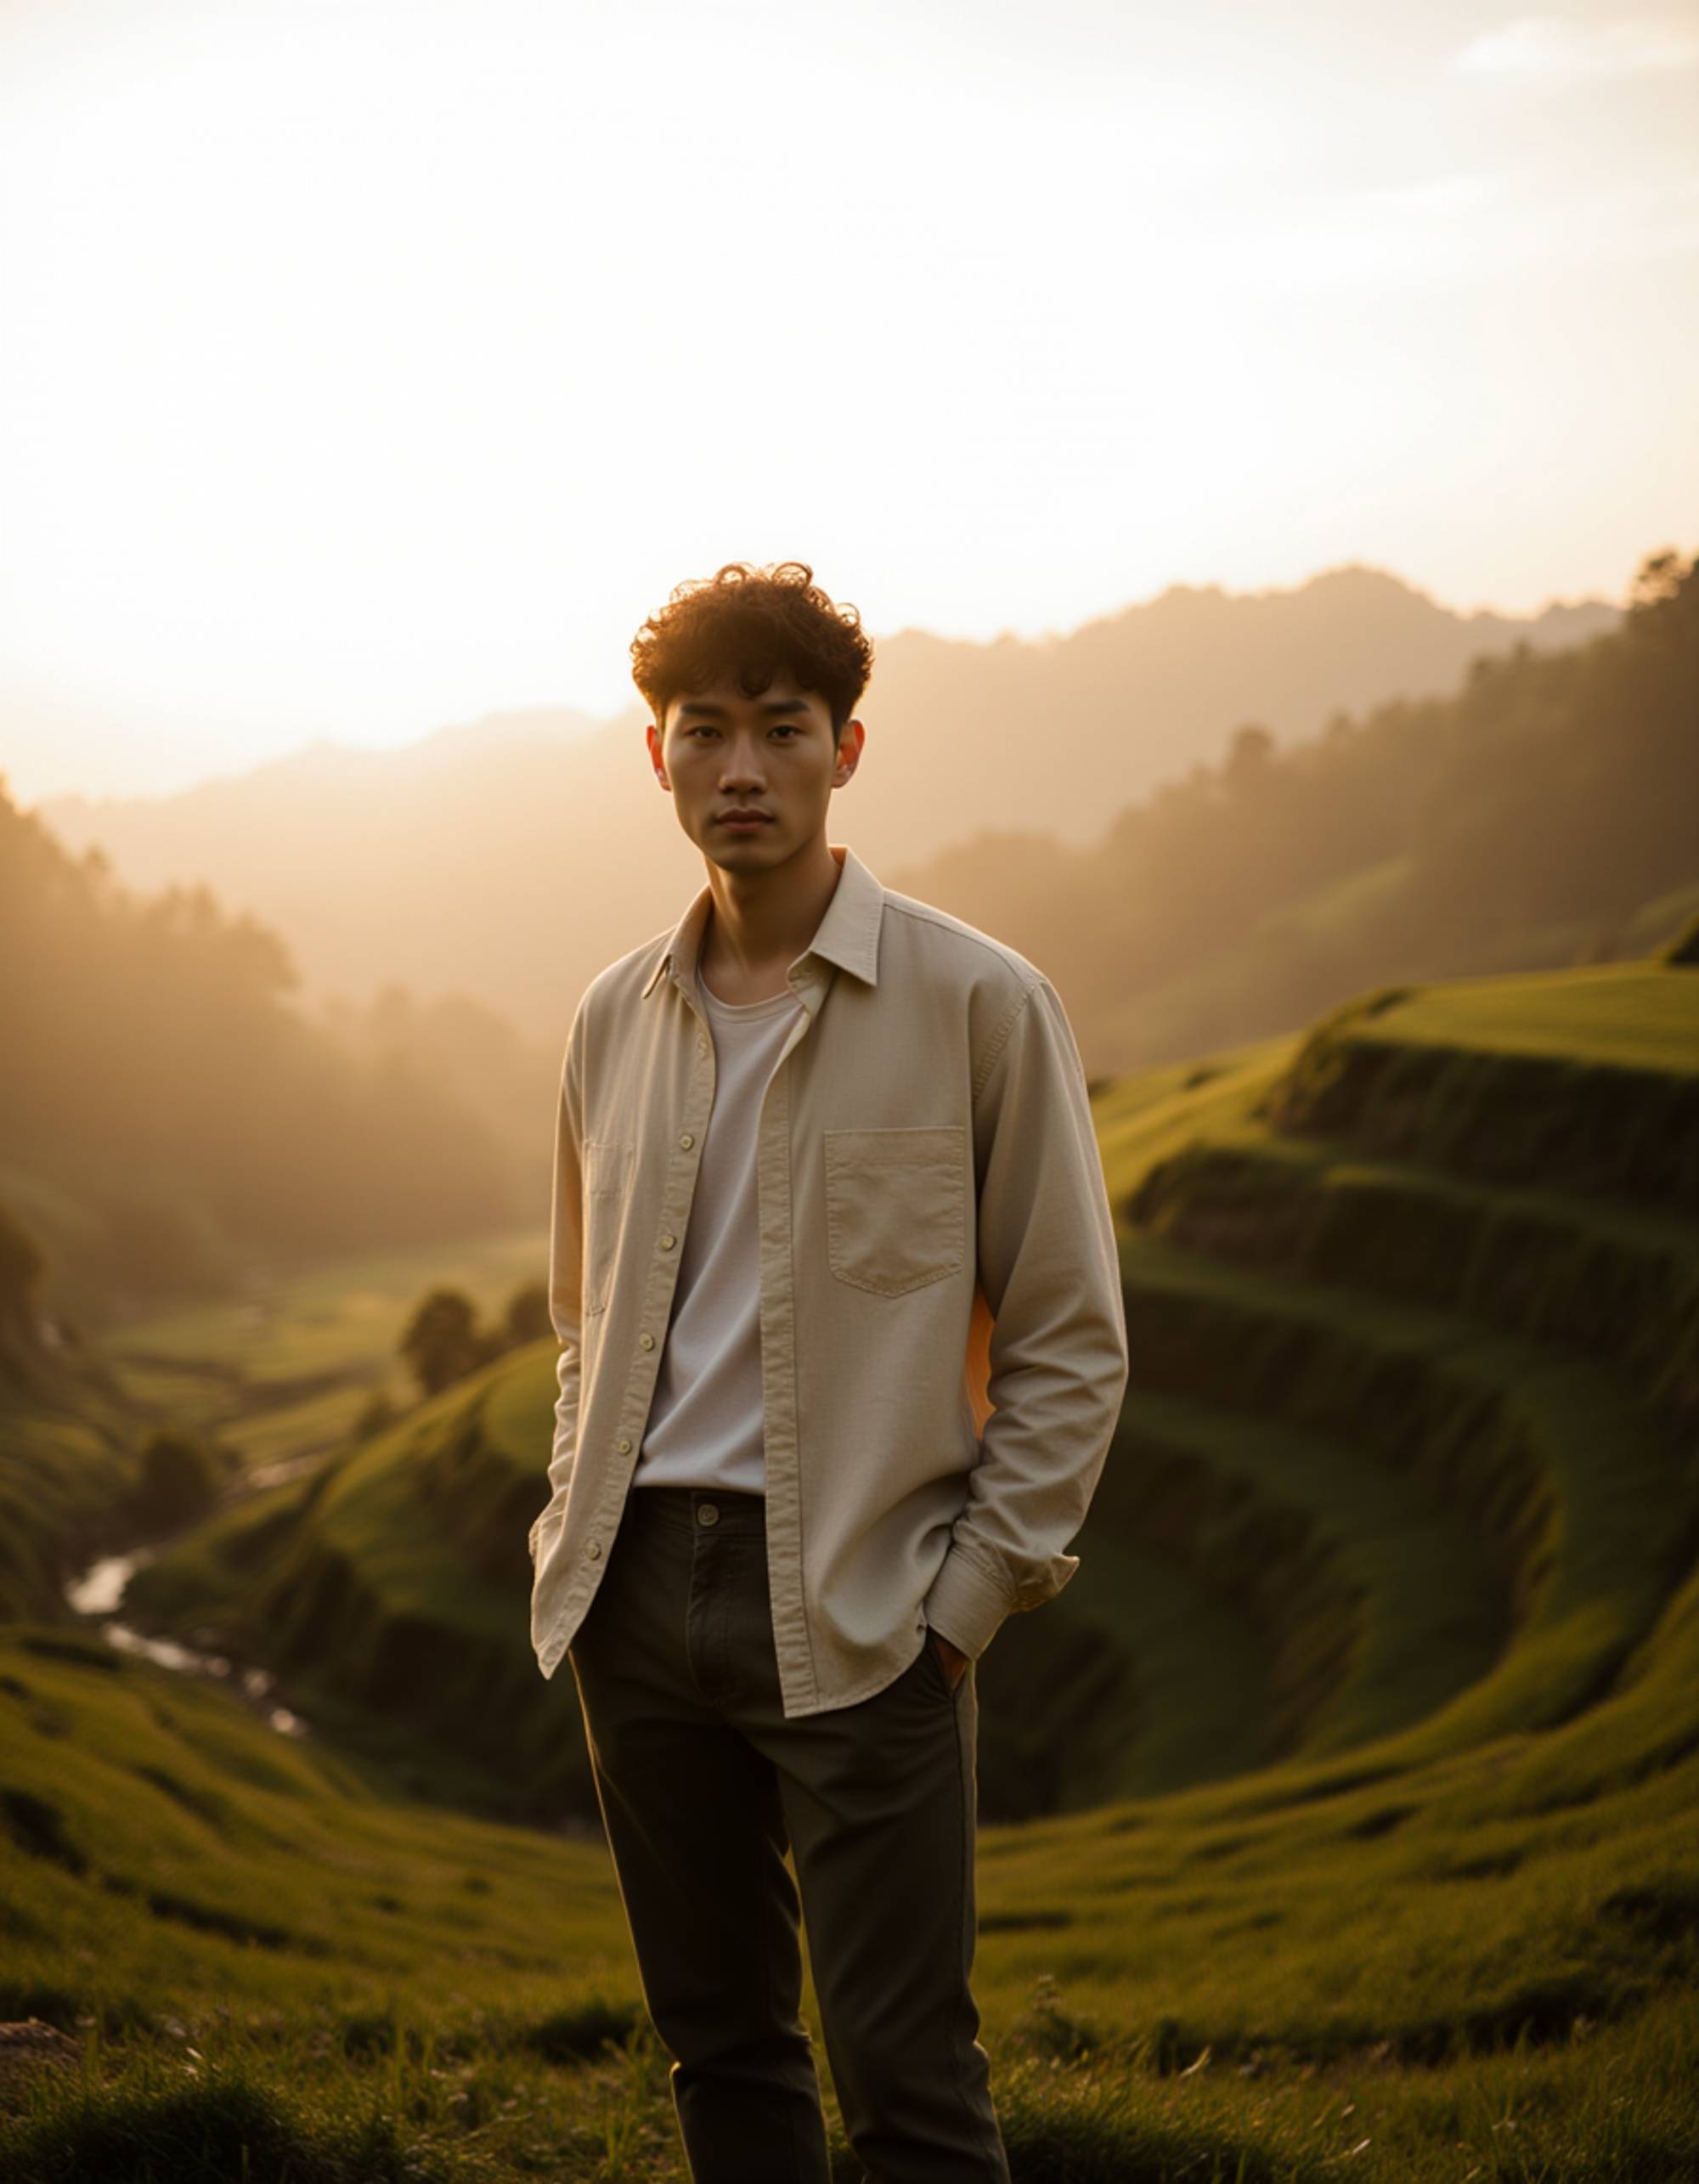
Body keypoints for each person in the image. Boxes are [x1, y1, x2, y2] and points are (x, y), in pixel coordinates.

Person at [527, 560, 1129, 2182]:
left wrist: (971, 1599)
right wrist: (568, 1538)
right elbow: (586, 1326)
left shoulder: (978, 1002)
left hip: (869, 1601)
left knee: (911, 2086)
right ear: (654, 756)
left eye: (779, 731)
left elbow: (1072, 1333)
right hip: (639, 1597)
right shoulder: (610, 1021)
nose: (739, 770)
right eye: (701, 732)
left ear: (845, 749)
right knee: (721, 2052)